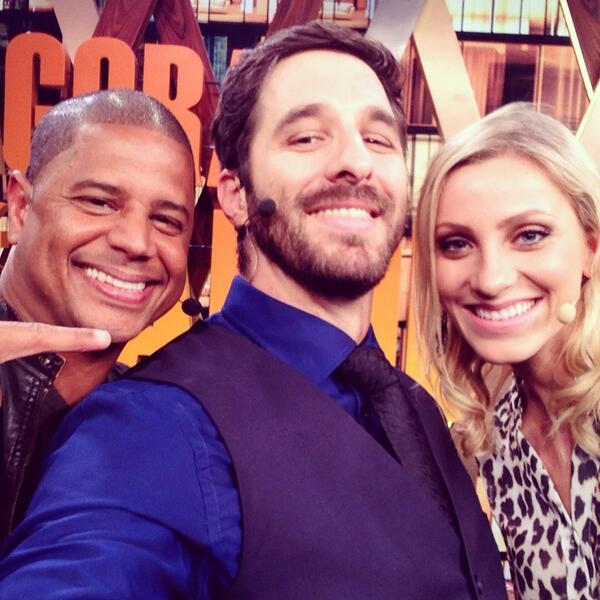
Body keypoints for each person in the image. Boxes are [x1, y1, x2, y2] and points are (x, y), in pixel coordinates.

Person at [0, 22, 506, 599]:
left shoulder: (414, 404)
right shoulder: (154, 423)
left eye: (379, 138)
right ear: (235, 194)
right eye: (307, 137)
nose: (355, 161)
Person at [413, 102, 599, 600]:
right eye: (456, 244)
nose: (491, 279)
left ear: (590, 247)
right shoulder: (496, 435)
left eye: (530, 235)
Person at [0, 89, 196, 544]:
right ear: (21, 207)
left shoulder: (161, 426)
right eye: (99, 202)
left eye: (167, 221)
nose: (136, 242)